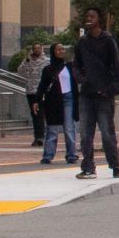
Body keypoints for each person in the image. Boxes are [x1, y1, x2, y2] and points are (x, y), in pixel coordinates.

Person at [72, 7, 119, 180]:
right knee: (86, 134)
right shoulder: (82, 42)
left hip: (104, 96)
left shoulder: (108, 40)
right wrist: (81, 78)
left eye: (92, 16)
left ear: (98, 20)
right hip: (87, 95)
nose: (88, 18)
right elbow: (76, 65)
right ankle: (88, 166)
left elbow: (117, 67)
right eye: (87, 15)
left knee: (107, 134)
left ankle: (115, 165)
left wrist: (110, 89)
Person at [36, 42, 76, 170]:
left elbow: (76, 83)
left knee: (69, 128)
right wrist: (36, 100)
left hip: (68, 98)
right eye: (58, 49)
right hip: (53, 101)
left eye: (62, 49)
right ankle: (48, 155)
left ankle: (71, 154)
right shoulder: (48, 69)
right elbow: (42, 86)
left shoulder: (69, 67)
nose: (61, 51)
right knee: (52, 129)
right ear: (53, 51)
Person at [15, 37, 50, 147]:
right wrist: (26, 61)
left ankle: (41, 136)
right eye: (35, 48)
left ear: (42, 49)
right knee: (34, 114)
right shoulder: (28, 61)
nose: (37, 50)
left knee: (40, 113)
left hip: (42, 91)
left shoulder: (46, 61)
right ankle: (37, 136)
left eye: (39, 48)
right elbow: (20, 72)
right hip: (31, 91)